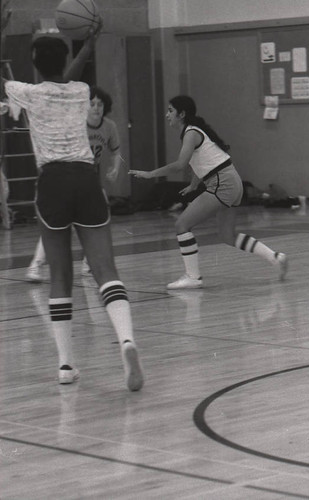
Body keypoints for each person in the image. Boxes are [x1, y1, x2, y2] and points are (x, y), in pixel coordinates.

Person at [4, 35, 144, 390]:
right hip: (85, 179)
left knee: (60, 276)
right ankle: (126, 340)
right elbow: (69, 73)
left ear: (35, 64)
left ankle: (66, 365)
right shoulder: (82, 90)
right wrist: (90, 42)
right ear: (66, 57)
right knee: (105, 269)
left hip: (52, 181)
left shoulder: (27, 92)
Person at [129, 95, 288, 289]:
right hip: (232, 181)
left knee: (182, 225)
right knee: (228, 236)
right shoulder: (194, 132)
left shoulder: (190, 133)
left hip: (222, 183)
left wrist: (150, 174)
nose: (167, 114)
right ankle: (275, 258)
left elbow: (180, 165)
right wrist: (195, 184)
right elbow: (203, 160)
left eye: (170, 110)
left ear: (182, 114)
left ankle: (193, 277)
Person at [26, 85, 123, 280]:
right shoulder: (76, 124)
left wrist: (115, 169)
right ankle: (35, 266)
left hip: (89, 179)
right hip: (66, 177)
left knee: (100, 219)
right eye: (92, 103)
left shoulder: (109, 126)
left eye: (100, 104)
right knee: (57, 222)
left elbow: (116, 151)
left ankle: (88, 264)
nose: (96, 108)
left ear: (105, 107)